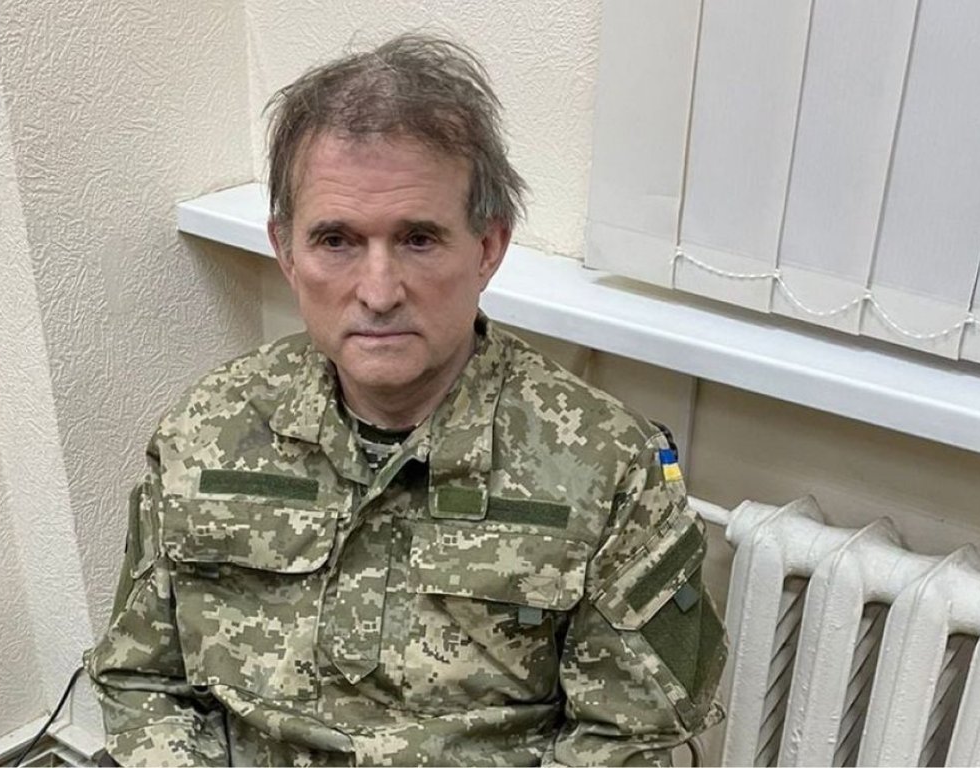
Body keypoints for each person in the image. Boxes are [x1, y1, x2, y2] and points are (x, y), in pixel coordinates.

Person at [85, 32, 726, 767]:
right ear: (286, 251)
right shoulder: (208, 430)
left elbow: (630, 738)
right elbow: (142, 679)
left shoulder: (608, 468)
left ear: (487, 248)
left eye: (418, 239)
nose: (379, 291)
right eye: (336, 240)